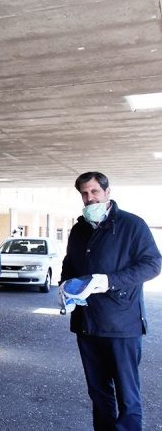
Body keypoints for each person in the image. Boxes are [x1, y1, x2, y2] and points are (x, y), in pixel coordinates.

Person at [61, 171, 161, 430]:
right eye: (84, 193)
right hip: (87, 323)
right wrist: (66, 287)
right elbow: (70, 263)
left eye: (94, 191)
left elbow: (152, 264)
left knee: (127, 395)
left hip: (121, 324)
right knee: (98, 392)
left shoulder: (132, 225)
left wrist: (109, 280)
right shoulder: (79, 229)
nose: (90, 198)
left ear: (107, 192)